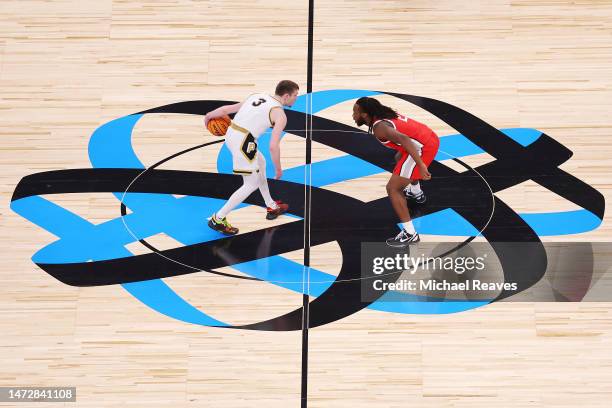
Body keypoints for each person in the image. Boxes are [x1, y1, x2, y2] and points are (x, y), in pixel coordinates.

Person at [204, 80, 299, 235]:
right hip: (243, 143)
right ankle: (218, 218)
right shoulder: (280, 114)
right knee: (251, 184)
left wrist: (208, 115)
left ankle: (271, 206)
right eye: (295, 95)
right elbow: (273, 146)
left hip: (231, 134)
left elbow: (226, 110)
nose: (296, 98)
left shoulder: (257, 95)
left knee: (260, 162)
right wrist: (279, 169)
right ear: (286, 95)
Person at [352, 97, 440, 247]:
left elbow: (405, 139)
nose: (353, 116)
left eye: (355, 112)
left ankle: (410, 233)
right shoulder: (382, 114)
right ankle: (416, 193)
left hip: (422, 148)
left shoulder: (379, 127)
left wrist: (421, 165)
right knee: (402, 164)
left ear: (365, 114)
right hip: (428, 137)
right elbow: (406, 134)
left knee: (393, 188)